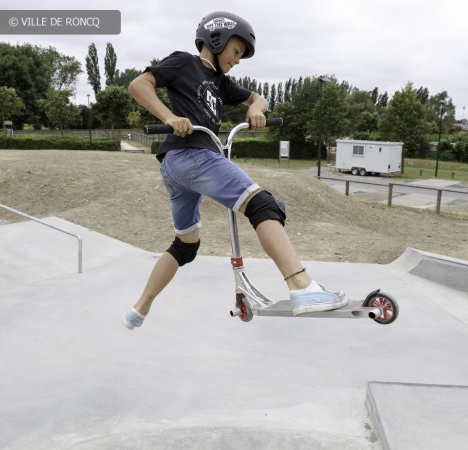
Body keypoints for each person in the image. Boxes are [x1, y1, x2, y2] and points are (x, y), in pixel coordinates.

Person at [122, 11, 347, 330]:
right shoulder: (183, 62)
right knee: (263, 205)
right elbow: (139, 84)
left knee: (186, 246)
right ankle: (303, 287)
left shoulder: (220, 83)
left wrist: (255, 108)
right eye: (237, 51)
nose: (238, 60)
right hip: (193, 154)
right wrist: (170, 117)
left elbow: (259, 97)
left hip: (177, 166)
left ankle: (139, 308)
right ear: (217, 40)